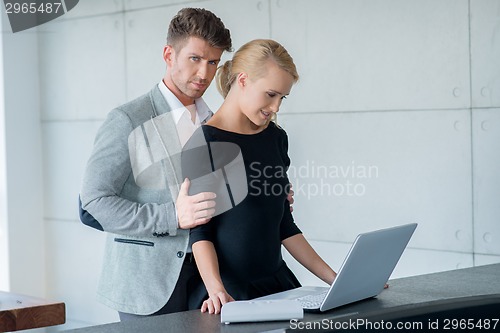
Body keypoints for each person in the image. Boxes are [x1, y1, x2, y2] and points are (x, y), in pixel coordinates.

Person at [79, 8, 232, 320]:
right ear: (168, 54)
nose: (204, 73)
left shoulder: (215, 122)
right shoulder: (127, 119)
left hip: (211, 280)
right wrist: (172, 216)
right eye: (195, 58)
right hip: (147, 284)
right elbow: (94, 202)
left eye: (213, 62)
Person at [184, 39, 337, 315]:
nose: (276, 107)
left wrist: (336, 280)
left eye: (282, 98)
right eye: (270, 94)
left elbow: (285, 226)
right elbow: (200, 231)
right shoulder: (204, 143)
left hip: (279, 287)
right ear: (242, 80)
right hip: (230, 295)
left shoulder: (276, 138)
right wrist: (216, 289)